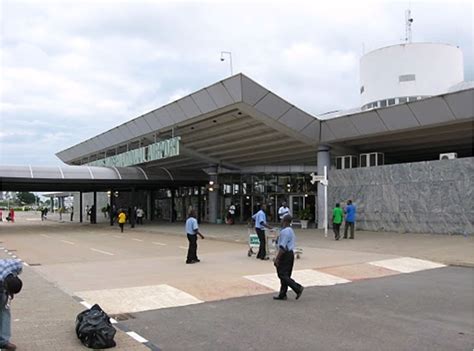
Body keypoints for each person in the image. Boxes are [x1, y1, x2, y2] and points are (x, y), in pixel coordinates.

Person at [273, 215, 304, 301]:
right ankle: (282, 294)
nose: (281, 221)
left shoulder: (285, 232)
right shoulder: (290, 230)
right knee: (286, 274)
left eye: (282, 220)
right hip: (290, 254)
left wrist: (277, 258)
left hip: (285, 254)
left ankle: (297, 288)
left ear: (285, 221)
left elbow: (283, 247)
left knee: (282, 274)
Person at [0, 259, 23, 350]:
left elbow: (19, 263)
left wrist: (10, 293)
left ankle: (3, 342)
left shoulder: (17, 265)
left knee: (5, 311)